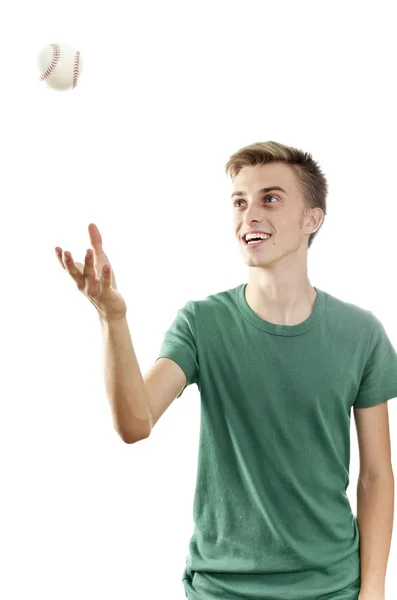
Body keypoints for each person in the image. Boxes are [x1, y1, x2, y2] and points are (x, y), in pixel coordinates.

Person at [55, 140, 396, 600]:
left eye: (270, 199)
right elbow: (135, 423)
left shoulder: (362, 333)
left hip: (332, 588)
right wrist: (111, 318)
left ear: (312, 219)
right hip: (221, 587)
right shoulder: (201, 323)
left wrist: (372, 590)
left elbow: (376, 474)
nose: (249, 215)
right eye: (240, 202)